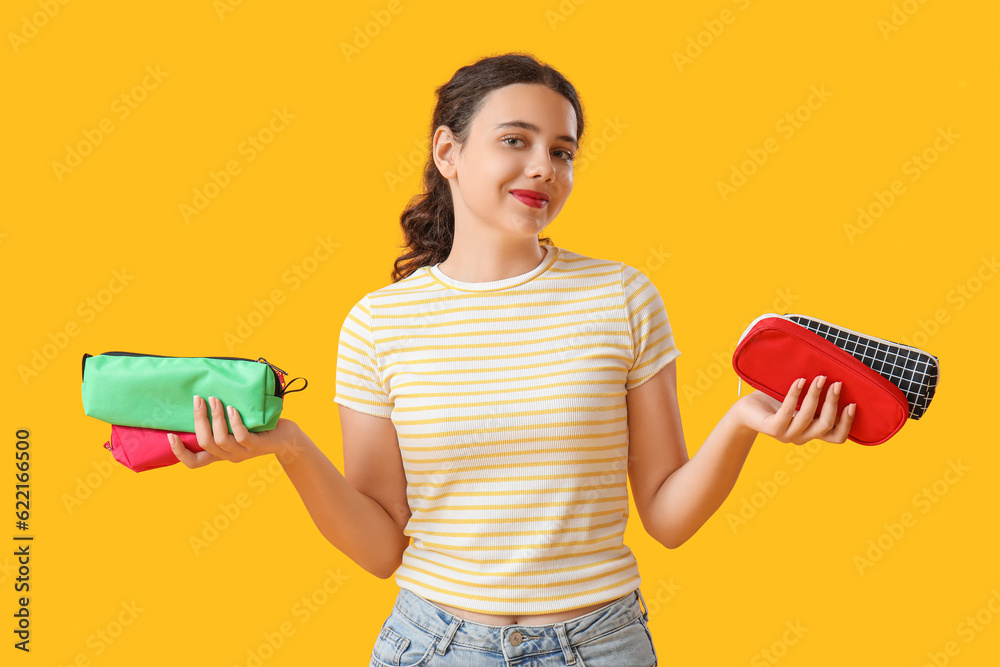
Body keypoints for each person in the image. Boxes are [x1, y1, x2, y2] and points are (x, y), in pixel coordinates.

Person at [168, 52, 856, 667]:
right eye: (514, 141)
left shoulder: (621, 296)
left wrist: (740, 423)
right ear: (449, 151)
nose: (543, 168)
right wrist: (287, 445)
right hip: (433, 646)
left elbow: (667, 517)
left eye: (563, 151)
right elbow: (381, 547)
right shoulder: (379, 323)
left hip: (601, 643)